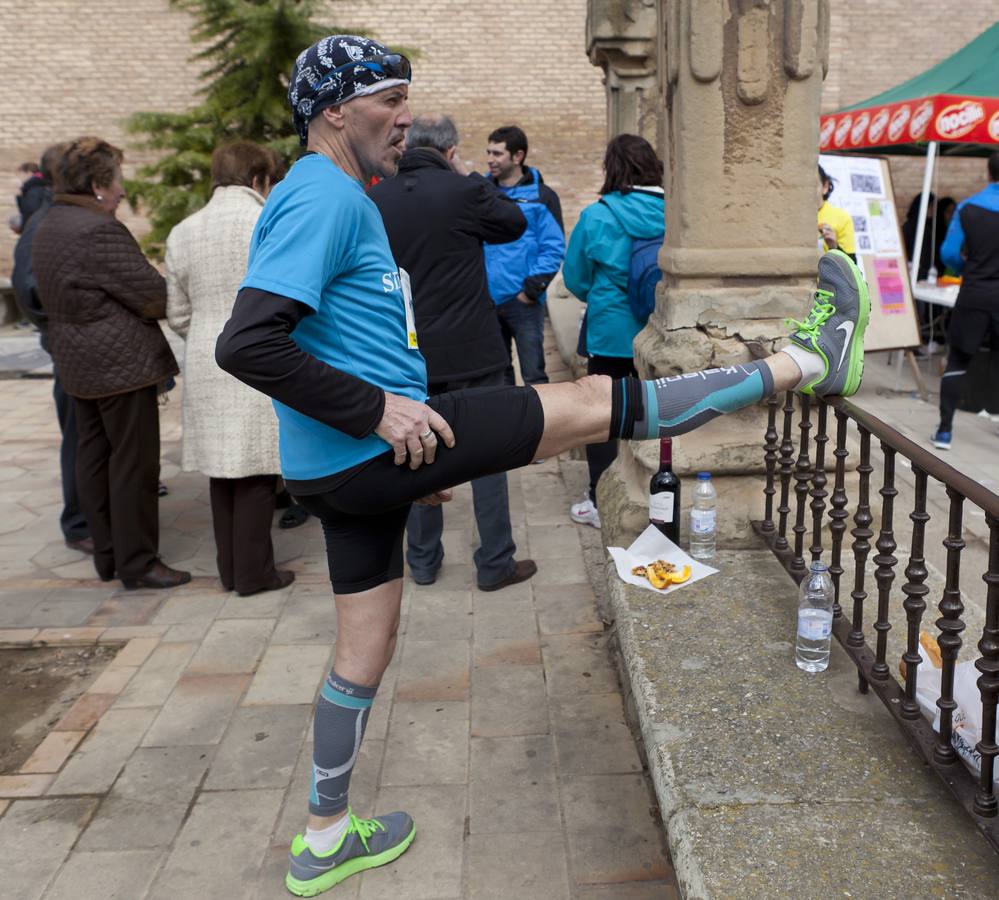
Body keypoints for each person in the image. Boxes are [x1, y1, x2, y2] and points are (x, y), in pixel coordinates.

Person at [214, 34, 870, 897]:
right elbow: (246, 341)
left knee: (361, 650)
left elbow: (324, 332)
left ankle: (324, 837)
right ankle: (802, 363)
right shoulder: (322, 197)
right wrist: (379, 410)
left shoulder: (333, 191)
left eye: (407, 94)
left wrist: (383, 421)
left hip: (343, 465)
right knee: (598, 401)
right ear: (334, 110)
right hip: (371, 444)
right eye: (387, 97)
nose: (404, 113)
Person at [369, 113, 538, 590]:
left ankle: (422, 563)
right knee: (488, 455)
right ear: (449, 152)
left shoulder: (377, 198)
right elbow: (514, 222)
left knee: (418, 456)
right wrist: (467, 176)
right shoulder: (464, 191)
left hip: (410, 354)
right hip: (475, 354)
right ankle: (495, 563)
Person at [32, 137, 190, 590]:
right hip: (119, 369)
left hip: (79, 365)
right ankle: (139, 563)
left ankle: (108, 554)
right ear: (99, 185)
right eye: (118, 181)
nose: (123, 191)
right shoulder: (97, 228)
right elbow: (153, 296)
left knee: (95, 458)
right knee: (134, 466)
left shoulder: (51, 222)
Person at [166, 141, 294, 596]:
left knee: (222, 470)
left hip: (204, 356)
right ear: (259, 178)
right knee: (258, 467)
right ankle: (257, 574)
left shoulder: (183, 231)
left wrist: (201, 335)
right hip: (259, 353)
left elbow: (177, 313)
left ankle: (231, 570)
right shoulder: (266, 222)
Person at [564, 134, 665, 529]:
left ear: (613, 168)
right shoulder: (675, 212)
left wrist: (604, 296)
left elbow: (574, 278)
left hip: (608, 331)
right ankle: (653, 493)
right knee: (655, 413)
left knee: (601, 416)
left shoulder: (597, 215)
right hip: (658, 330)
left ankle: (599, 497)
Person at [11, 142, 92, 554]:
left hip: (75, 344)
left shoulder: (53, 218)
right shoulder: (45, 223)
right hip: (70, 347)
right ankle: (79, 524)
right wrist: (60, 327)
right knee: (78, 437)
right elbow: (29, 290)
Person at [483, 125, 565, 386]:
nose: (490, 160)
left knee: (534, 375)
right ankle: (508, 427)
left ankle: (543, 427)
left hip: (524, 302)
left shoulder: (543, 196)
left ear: (517, 156)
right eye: (488, 152)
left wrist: (531, 290)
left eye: (497, 153)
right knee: (498, 375)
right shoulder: (481, 194)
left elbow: (553, 247)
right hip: (487, 301)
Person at [931, 152, 999, 451]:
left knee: (958, 359)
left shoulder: (968, 207)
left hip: (973, 293)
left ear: (988, 172)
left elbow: (948, 253)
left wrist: (965, 268)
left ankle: (945, 431)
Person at [817, 165, 856, 262]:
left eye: (812, 185)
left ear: (825, 187)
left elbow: (852, 265)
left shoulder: (841, 217)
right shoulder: (790, 216)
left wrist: (834, 246)